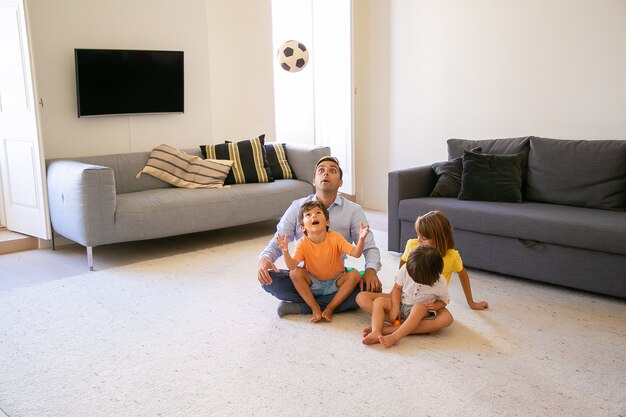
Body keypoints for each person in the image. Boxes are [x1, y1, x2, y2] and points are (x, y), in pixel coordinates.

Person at [258, 156, 382, 317]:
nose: (326, 174)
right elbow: (279, 240)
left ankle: (303, 306)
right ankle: (332, 303)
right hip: (306, 277)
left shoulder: (353, 210)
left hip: (336, 278)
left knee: (374, 288)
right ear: (314, 181)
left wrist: (371, 270)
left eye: (332, 171)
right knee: (269, 280)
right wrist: (265, 258)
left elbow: (369, 247)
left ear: (340, 183)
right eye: (321, 170)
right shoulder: (297, 207)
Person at [276, 201, 370, 323]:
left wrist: (361, 239)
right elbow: (292, 266)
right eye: (308, 215)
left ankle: (330, 308)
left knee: (356, 275)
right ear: (303, 227)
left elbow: (356, 253)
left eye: (318, 213)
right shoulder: (302, 243)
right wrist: (285, 252)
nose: (313, 216)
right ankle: (314, 308)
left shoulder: (335, 237)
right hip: (313, 284)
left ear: (327, 222)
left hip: (336, 282)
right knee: (294, 274)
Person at [357, 245, 449, 348]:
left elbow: (444, 301)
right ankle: (376, 331)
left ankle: (394, 336)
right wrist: (395, 307)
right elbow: (397, 288)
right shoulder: (407, 268)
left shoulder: (440, 282)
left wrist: (435, 306)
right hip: (402, 303)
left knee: (420, 308)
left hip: (420, 310)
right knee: (379, 301)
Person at [400, 210, 488, 310]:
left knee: (445, 319)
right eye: (417, 235)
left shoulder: (452, 256)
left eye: (423, 238)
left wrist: (471, 302)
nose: (418, 240)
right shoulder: (412, 245)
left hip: (431, 302)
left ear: (439, 238)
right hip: (410, 296)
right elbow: (403, 263)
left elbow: (462, 274)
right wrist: (399, 288)